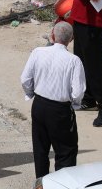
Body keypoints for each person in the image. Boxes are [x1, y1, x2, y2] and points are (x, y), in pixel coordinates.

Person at [21, 21, 85, 179]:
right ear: (71, 39)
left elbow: (25, 79)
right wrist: (74, 105)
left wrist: (31, 94)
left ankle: (41, 186)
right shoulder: (74, 61)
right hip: (60, 110)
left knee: (40, 149)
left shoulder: (38, 52)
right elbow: (78, 92)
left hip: (39, 105)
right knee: (65, 152)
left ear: (52, 35)